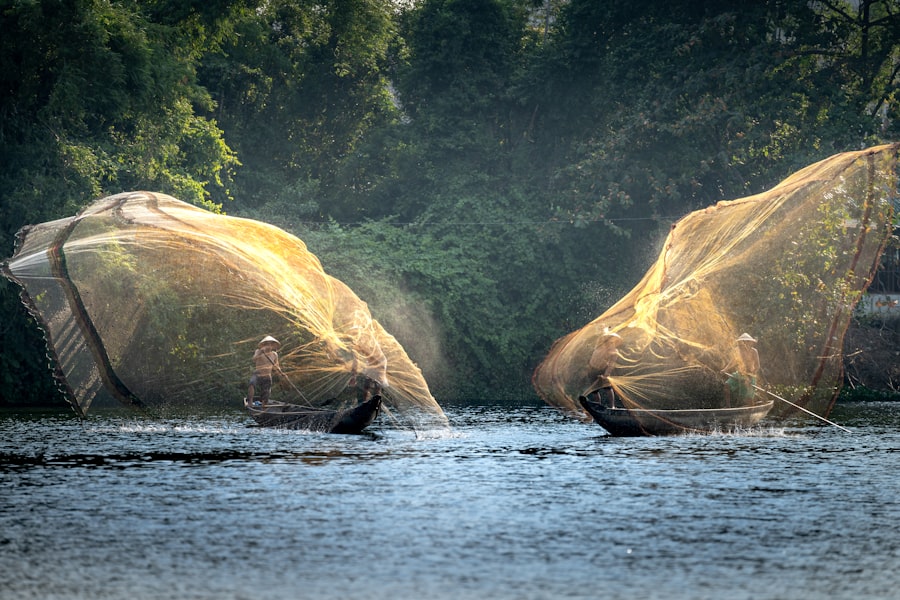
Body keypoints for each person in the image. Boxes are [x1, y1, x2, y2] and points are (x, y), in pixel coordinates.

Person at [584, 329, 623, 408]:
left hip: (602, 370)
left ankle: (612, 406)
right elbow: (592, 357)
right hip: (592, 370)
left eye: (612, 341)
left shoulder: (614, 351)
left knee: (607, 388)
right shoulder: (599, 346)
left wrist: (606, 374)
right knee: (595, 390)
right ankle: (598, 405)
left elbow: (611, 364)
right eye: (609, 340)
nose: (610, 342)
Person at [724, 332, 760, 407]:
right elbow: (732, 362)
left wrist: (751, 376)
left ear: (750, 342)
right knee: (727, 385)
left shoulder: (754, 351)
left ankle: (751, 410)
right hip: (739, 374)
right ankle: (728, 407)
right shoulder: (737, 350)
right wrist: (725, 369)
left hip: (750, 374)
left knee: (748, 397)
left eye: (747, 342)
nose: (744, 344)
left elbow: (757, 366)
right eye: (742, 342)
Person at [247, 335, 281, 408]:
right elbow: (254, 359)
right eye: (267, 344)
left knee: (266, 393)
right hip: (258, 373)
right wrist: (260, 353)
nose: (269, 346)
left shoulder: (274, 354)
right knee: (251, 384)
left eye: (270, 344)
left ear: (272, 345)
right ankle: (250, 402)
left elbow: (276, 366)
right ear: (264, 345)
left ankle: (263, 407)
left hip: (267, 375)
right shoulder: (258, 351)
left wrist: (280, 373)